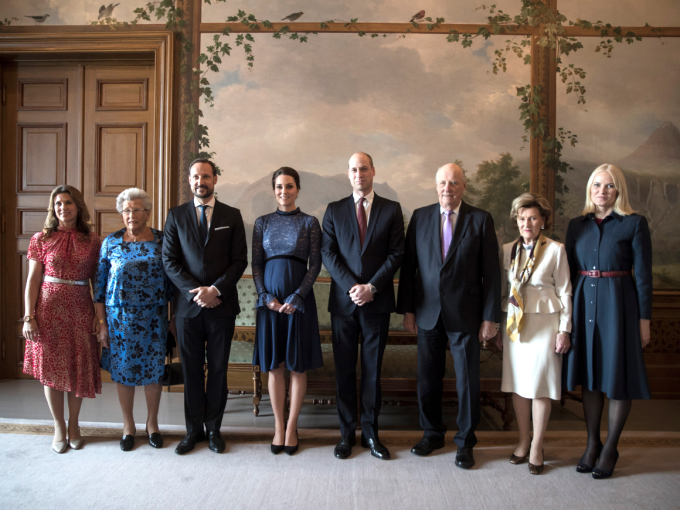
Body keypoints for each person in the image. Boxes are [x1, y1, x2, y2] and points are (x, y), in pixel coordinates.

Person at [397, 163, 501, 469]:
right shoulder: (420, 216)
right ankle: (431, 434)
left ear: (463, 187)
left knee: (467, 381)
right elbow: (409, 267)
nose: (448, 188)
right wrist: (408, 310)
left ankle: (465, 442)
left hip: (466, 315)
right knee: (428, 380)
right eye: (443, 182)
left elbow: (492, 274)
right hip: (427, 313)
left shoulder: (480, 219)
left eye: (454, 182)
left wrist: (490, 317)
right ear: (436, 185)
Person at [563, 164, 652, 479]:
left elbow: (642, 276)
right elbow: (567, 278)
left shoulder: (634, 224)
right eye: (597, 185)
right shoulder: (576, 225)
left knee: (616, 377)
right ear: (590, 189)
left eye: (610, 186)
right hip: (584, 303)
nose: (602, 191)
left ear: (619, 191)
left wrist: (644, 321)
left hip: (620, 306)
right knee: (589, 378)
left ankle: (611, 447)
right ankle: (592, 444)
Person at [321, 152, 405, 460]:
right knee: (344, 371)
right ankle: (346, 434)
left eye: (364, 168)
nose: (360, 174)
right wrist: (352, 288)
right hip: (344, 305)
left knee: (372, 372)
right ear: (349, 174)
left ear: (373, 171)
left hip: (377, 302)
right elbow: (328, 254)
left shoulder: (392, 209)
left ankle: (371, 434)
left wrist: (371, 287)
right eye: (354, 169)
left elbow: (397, 254)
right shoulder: (334, 210)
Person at [162, 158, 248, 455]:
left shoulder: (232, 215)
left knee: (219, 371)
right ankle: (192, 431)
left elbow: (239, 261)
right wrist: (195, 291)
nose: (202, 181)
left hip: (222, 306)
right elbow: (169, 261)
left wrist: (215, 290)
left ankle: (214, 430)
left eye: (207, 176)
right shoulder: (175, 216)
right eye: (196, 176)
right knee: (192, 371)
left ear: (215, 179)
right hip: (188, 309)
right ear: (190, 180)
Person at [22, 185, 102, 453]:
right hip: (48, 310)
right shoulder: (40, 239)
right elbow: (33, 280)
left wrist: (99, 317)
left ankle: (75, 424)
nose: (62, 208)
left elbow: (97, 283)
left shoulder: (94, 241)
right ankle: (58, 425)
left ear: (78, 206)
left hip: (80, 309)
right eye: (57, 203)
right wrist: (28, 316)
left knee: (77, 367)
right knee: (52, 369)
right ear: (52, 207)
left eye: (68, 203)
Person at [496, 193, 572, 475]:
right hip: (515, 327)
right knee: (518, 384)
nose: (526, 223)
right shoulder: (506, 250)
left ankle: (538, 446)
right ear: (517, 221)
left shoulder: (555, 250)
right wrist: (498, 329)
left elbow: (565, 291)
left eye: (532, 218)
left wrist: (565, 330)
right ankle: (523, 440)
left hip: (545, 326)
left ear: (543, 221)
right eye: (521, 218)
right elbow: (502, 292)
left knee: (540, 385)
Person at [94, 188, 174, 452]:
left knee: (154, 372)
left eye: (136, 209)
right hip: (120, 319)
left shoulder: (163, 241)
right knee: (123, 373)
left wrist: (172, 321)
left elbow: (172, 284)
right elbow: (100, 288)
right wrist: (102, 324)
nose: (131, 215)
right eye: (126, 210)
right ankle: (128, 426)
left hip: (154, 317)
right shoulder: (110, 242)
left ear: (148, 213)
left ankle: (152, 424)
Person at [252, 167, 323, 456]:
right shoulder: (262, 223)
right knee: (274, 365)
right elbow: (255, 264)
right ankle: (278, 427)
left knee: (297, 364)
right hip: (269, 304)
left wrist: (297, 295)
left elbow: (316, 264)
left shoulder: (310, 222)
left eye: (289, 186)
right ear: (274, 190)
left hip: (298, 302)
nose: (284, 191)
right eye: (279, 186)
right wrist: (265, 296)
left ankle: (293, 426)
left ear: (298, 189)